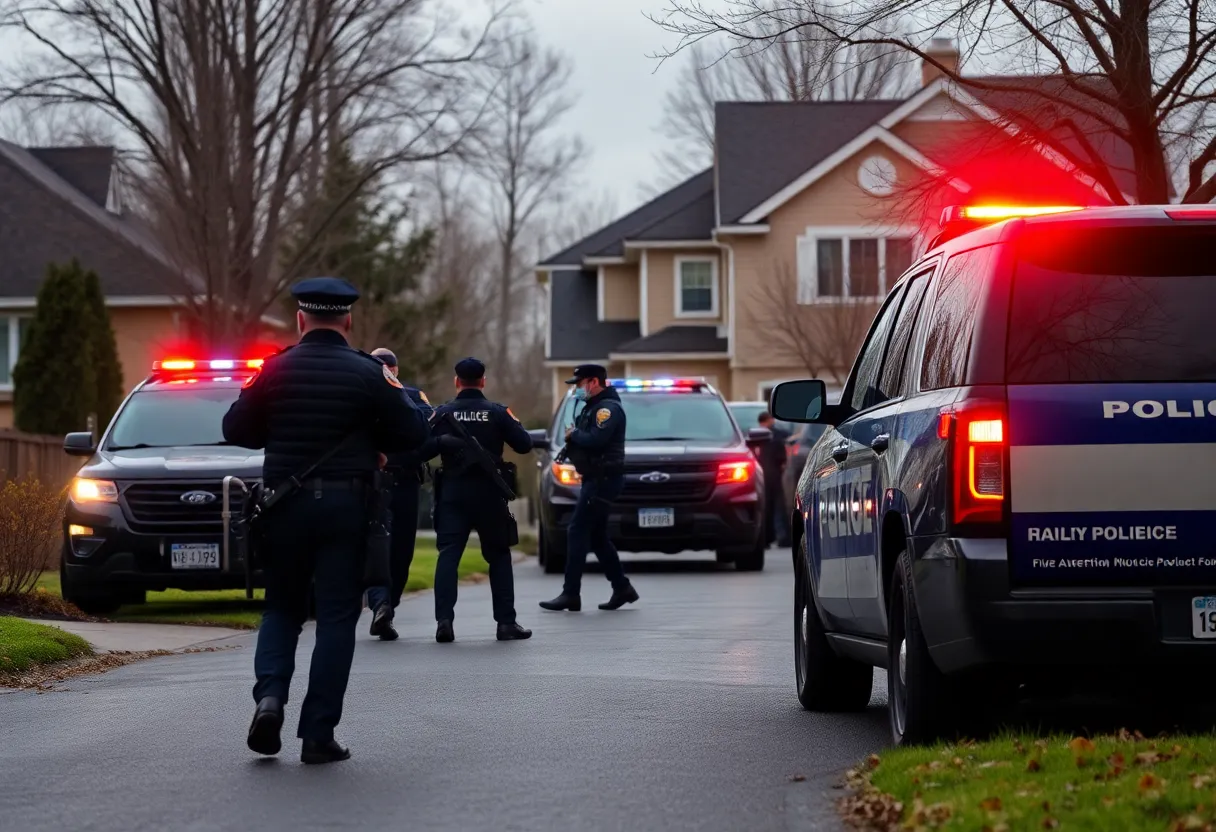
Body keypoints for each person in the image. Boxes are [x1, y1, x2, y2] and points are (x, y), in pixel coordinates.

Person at [223, 276, 428, 765]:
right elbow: (413, 431)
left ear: (300, 319)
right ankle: (318, 735)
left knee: (282, 610)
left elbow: (236, 429)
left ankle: (269, 699)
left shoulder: (273, 370)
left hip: (284, 508)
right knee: (337, 617)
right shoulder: (369, 373)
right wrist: (374, 439)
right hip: (346, 508)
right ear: (348, 321)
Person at [422, 357, 534, 643]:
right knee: (498, 556)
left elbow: (419, 445)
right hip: (489, 495)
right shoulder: (497, 412)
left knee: (448, 556)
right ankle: (506, 623)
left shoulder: (443, 413)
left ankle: (444, 622)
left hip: (454, 495)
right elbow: (524, 444)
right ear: (483, 380)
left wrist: (441, 445)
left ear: (456, 381)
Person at [539, 364, 639, 612]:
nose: (577, 389)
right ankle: (622, 588)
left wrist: (574, 435)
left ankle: (571, 593)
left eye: (580, 383)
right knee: (596, 536)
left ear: (594, 382)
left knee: (577, 530)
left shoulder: (607, 410)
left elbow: (597, 439)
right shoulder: (593, 407)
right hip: (595, 479)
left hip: (603, 480)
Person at [365, 347, 434, 642]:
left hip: (404, 481)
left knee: (400, 551)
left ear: (396, 369)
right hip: (376, 483)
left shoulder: (413, 396)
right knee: (379, 548)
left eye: (387, 367)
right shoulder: (362, 396)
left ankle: (386, 608)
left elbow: (429, 427)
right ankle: (382, 605)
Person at [757, 411, 791, 548]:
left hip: (763, 475)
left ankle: (767, 538)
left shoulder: (757, 437)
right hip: (774, 475)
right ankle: (784, 537)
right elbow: (782, 458)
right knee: (779, 507)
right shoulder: (778, 436)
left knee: (767, 507)